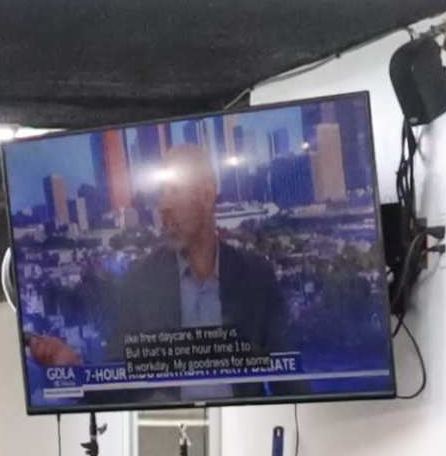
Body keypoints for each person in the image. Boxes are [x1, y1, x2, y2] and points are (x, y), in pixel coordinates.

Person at [27, 150, 287, 371]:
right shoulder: (139, 280)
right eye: (160, 193)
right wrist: (73, 368)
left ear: (207, 196)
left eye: (174, 190)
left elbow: (290, 375)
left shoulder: (257, 275)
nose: (163, 205)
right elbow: (118, 379)